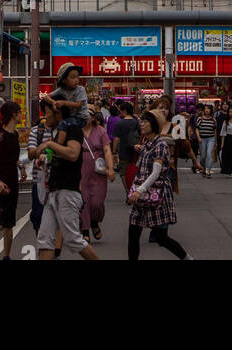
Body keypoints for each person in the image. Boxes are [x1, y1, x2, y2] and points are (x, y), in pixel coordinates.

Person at [127, 111, 193, 261]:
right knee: (133, 233)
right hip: (142, 194)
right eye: (141, 121)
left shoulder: (160, 144)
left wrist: (139, 190)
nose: (142, 124)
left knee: (161, 237)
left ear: (154, 125)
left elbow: (156, 172)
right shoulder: (146, 143)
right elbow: (141, 167)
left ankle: (187, 258)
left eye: (145, 122)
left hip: (155, 195)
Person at [37, 106, 99, 261]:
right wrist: (45, 158)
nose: (45, 116)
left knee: (73, 239)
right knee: (44, 239)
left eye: (47, 112)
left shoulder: (73, 129)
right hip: (53, 191)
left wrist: (50, 145)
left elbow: (72, 154)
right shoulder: (58, 132)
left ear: (58, 113)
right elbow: (56, 154)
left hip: (67, 191)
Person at [0, 100, 21, 260]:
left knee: (9, 223)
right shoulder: (0, 136)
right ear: (13, 115)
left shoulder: (15, 135)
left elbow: (11, 158)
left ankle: (6, 256)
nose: (22, 115)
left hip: (13, 181)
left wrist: (20, 166)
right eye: (19, 112)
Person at [79, 108, 115, 242]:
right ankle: (85, 230)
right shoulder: (77, 131)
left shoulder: (100, 131)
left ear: (94, 117)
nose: (85, 117)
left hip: (98, 171)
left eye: (89, 115)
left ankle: (94, 221)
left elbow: (107, 150)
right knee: (84, 200)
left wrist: (110, 168)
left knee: (97, 202)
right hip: (81, 170)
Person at [27, 99, 58, 241]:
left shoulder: (62, 131)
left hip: (59, 180)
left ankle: (54, 250)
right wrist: (42, 151)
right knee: (38, 215)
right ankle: (42, 246)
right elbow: (31, 152)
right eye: (52, 111)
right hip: (39, 180)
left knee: (59, 216)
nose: (54, 114)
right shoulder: (36, 131)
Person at [112, 101, 142, 192]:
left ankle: (128, 191)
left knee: (123, 173)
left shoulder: (119, 123)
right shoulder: (136, 122)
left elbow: (116, 139)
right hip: (135, 151)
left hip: (123, 152)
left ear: (124, 111)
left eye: (120, 110)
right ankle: (134, 190)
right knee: (135, 171)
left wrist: (114, 152)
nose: (120, 112)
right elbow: (141, 135)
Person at [198, 104, 217, 177]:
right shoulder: (200, 119)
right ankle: (203, 169)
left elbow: (215, 131)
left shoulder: (213, 120)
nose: (207, 110)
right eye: (205, 109)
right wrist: (198, 137)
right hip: (202, 138)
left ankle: (208, 171)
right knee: (203, 156)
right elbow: (197, 129)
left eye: (208, 109)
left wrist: (215, 142)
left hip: (211, 138)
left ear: (211, 110)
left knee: (209, 153)